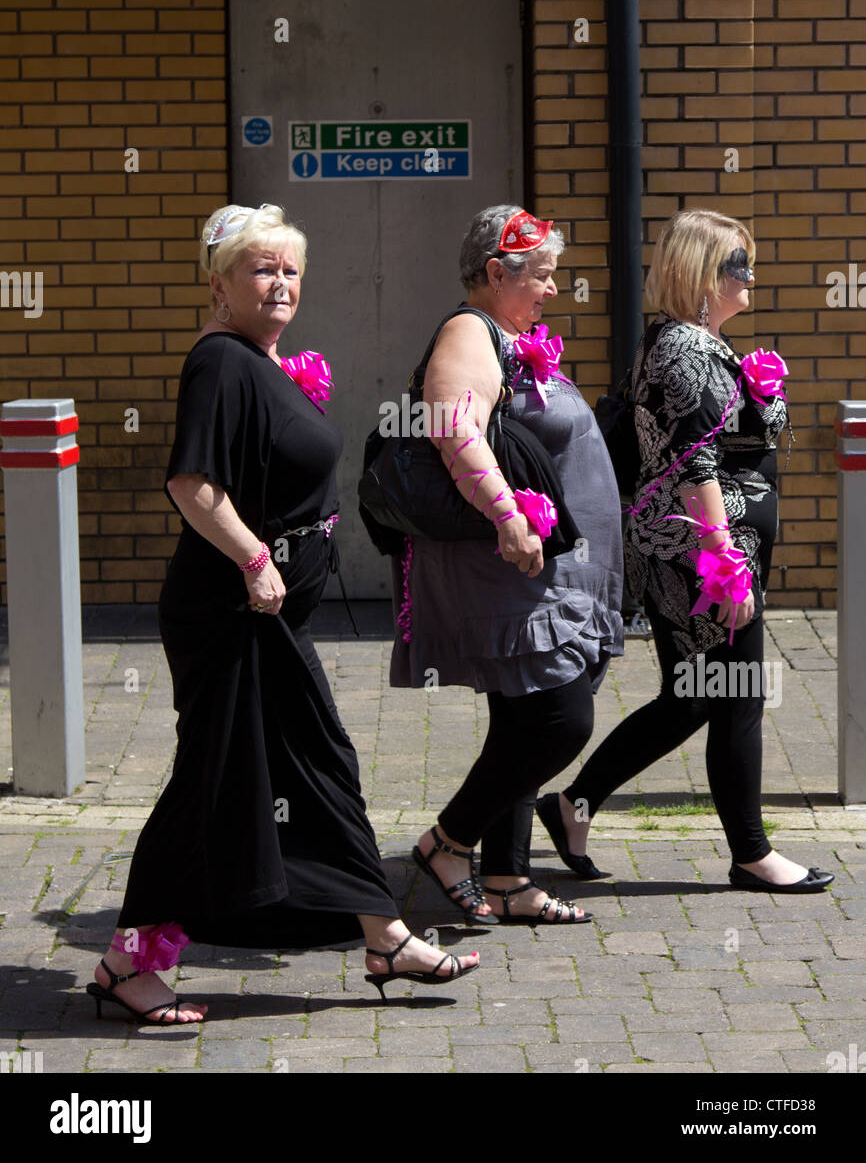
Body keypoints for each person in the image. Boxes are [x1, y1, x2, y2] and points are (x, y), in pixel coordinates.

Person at [86, 202, 479, 1024]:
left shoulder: (259, 362)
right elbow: (191, 485)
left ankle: (386, 936)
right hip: (229, 613)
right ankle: (127, 962)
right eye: (262, 268)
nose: (281, 282)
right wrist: (257, 559)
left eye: (291, 268)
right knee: (216, 780)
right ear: (220, 281)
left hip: (267, 616)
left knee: (317, 766)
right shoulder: (222, 363)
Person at [538, 208, 833, 894]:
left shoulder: (693, 344)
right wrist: (725, 563)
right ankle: (753, 854)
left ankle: (571, 806)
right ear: (702, 272)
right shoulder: (684, 352)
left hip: (700, 549)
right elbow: (693, 466)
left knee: (693, 694)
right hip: (699, 557)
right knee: (736, 692)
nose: (751, 275)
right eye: (739, 264)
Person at [390, 205, 624, 926]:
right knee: (560, 720)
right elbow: (453, 424)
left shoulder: (506, 336)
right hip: (514, 572)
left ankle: (506, 878)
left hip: (549, 575)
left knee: (524, 719)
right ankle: (447, 841)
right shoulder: (469, 330)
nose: (554, 290)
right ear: (497, 273)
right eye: (543, 276)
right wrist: (507, 515)